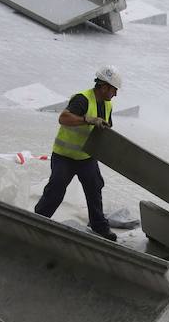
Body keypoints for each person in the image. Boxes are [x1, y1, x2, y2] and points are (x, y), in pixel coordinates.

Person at [34, 66, 121, 241]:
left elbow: (105, 129)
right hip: (64, 156)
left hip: (86, 158)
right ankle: (37, 220)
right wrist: (86, 119)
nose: (115, 94)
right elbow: (63, 118)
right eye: (114, 90)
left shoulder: (108, 105)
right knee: (56, 190)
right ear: (104, 87)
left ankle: (99, 226)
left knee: (94, 189)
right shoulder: (82, 99)